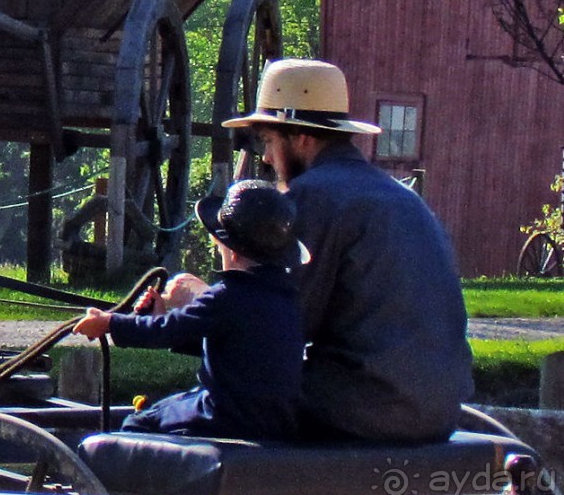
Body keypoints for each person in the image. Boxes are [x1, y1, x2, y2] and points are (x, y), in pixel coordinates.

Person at [179, 58, 474, 443]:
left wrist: (191, 304)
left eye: (268, 140)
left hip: (361, 411)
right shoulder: (403, 197)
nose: (266, 158)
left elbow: (272, 331)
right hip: (439, 412)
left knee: (176, 417)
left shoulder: (310, 197)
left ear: (302, 138)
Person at [73, 179, 309, 441]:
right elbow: (238, 344)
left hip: (224, 415)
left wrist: (108, 323)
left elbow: (166, 331)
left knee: (139, 423)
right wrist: (160, 316)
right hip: (275, 422)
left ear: (232, 251)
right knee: (170, 406)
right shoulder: (286, 298)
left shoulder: (227, 296)